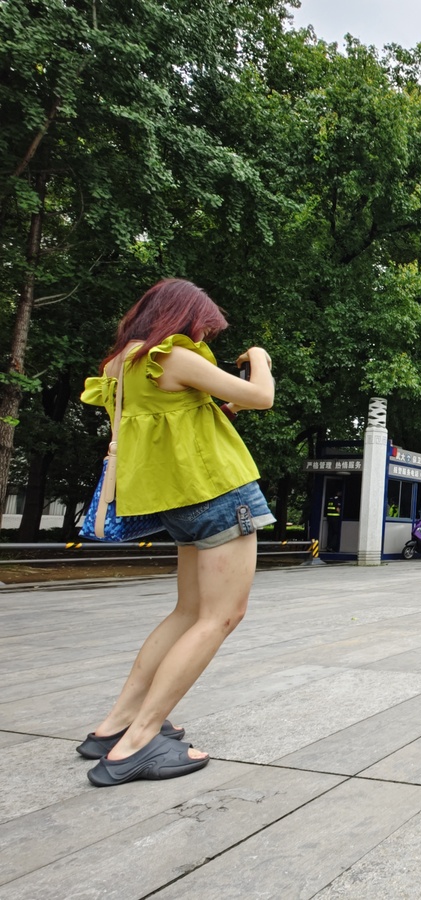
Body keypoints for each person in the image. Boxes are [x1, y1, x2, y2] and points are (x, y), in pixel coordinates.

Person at [77, 278, 275, 786]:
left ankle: (115, 724)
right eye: (203, 325)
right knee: (221, 615)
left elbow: (168, 423)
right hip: (217, 492)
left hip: (177, 501)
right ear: (181, 318)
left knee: (188, 611)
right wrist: (259, 356)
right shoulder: (173, 357)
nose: (204, 334)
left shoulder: (122, 366)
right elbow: (262, 396)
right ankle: (139, 742)